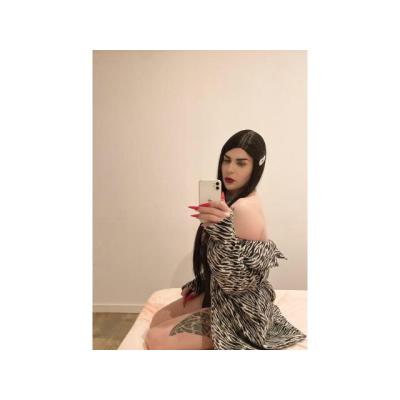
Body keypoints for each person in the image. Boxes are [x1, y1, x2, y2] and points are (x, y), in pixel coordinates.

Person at [145, 129, 307, 350]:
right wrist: (202, 283)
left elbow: (237, 284)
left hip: (240, 313)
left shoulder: (243, 208)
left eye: (241, 163)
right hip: (220, 292)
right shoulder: (232, 197)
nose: (230, 169)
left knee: (155, 338)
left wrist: (221, 233)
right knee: (157, 319)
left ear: (256, 167)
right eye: (226, 160)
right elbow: (221, 262)